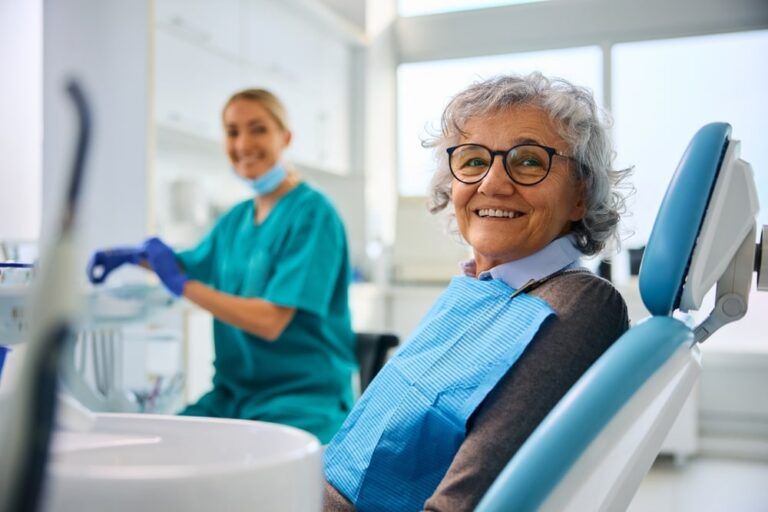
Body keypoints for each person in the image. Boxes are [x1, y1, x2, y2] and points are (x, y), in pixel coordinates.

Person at [323, 72, 631, 511]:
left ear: (580, 194)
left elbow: (463, 503)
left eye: (528, 160)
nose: (492, 183)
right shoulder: (479, 288)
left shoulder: (575, 303)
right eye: (471, 160)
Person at [87, 89, 357, 444]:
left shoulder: (314, 214)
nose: (243, 143)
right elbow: (186, 265)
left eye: (258, 129)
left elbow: (270, 321)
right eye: (232, 132)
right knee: (155, 446)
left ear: (285, 137)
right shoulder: (235, 220)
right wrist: (133, 257)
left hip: (301, 401)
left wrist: (183, 287)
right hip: (232, 397)